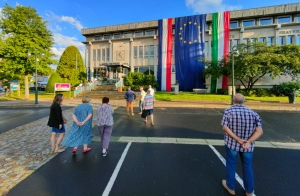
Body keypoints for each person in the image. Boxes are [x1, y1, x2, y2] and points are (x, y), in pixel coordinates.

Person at [221, 93, 263, 196]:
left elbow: (225, 128)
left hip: (232, 144)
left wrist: (238, 139)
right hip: (248, 146)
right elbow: (259, 131)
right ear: (244, 101)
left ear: (233, 101)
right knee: (247, 166)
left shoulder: (228, 111)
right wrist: (248, 141)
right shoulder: (253, 114)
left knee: (231, 164)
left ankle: (231, 187)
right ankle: (249, 191)